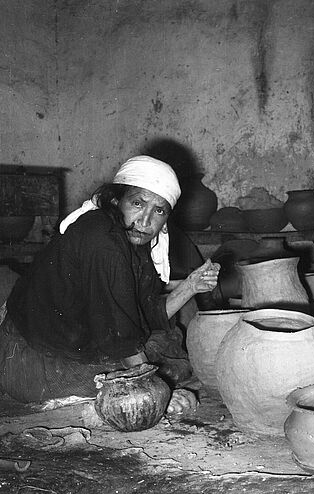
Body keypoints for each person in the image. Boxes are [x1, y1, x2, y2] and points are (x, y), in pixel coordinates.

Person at [0, 155, 220, 419]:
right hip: (31, 363)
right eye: (138, 203)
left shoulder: (133, 241)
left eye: (159, 210)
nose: (145, 220)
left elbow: (144, 314)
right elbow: (121, 337)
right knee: (163, 367)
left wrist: (191, 286)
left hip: (78, 341)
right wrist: (157, 391)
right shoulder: (102, 239)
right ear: (116, 200)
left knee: (167, 345)